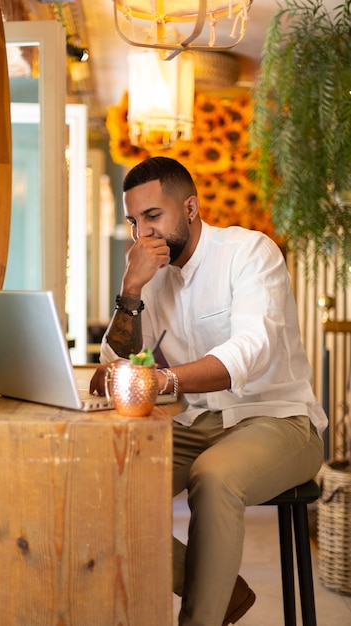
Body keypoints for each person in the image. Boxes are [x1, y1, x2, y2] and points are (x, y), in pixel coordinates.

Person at [90, 156, 327, 626]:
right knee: (102, 485)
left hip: (278, 419)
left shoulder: (250, 252)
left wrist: (165, 379)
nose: (143, 235)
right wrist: (131, 289)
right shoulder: (148, 278)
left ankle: (200, 618)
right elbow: (112, 367)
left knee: (214, 476)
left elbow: (250, 351)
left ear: (191, 208)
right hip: (193, 421)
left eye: (153, 217)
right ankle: (223, 591)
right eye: (134, 222)